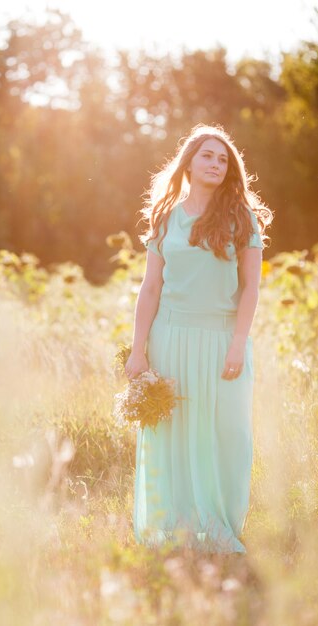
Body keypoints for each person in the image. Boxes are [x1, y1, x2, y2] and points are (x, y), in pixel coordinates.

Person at [125, 123, 273, 554]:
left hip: (223, 337)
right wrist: (139, 351)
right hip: (169, 336)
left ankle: (219, 525)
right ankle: (174, 526)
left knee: (228, 433)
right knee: (172, 432)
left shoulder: (241, 217)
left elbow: (251, 287)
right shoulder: (165, 217)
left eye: (223, 158)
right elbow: (150, 287)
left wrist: (238, 342)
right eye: (207, 155)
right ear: (188, 162)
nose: (215, 163)